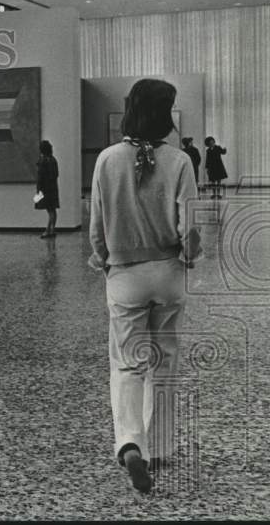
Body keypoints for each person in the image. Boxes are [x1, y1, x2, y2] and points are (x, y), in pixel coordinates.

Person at [88, 78, 203, 495]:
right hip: (169, 272)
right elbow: (189, 227)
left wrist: (102, 259)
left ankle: (130, 442)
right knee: (165, 361)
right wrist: (188, 262)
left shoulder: (106, 160)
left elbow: (97, 224)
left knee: (127, 364)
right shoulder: (180, 161)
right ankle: (160, 445)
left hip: (124, 275)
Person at [35, 140, 60, 238]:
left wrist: (38, 191)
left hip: (45, 189)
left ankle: (48, 230)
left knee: (50, 211)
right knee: (52, 210)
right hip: (53, 188)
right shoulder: (53, 160)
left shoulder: (43, 161)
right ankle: (52, 229)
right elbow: (56, 174)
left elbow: (40, 177)